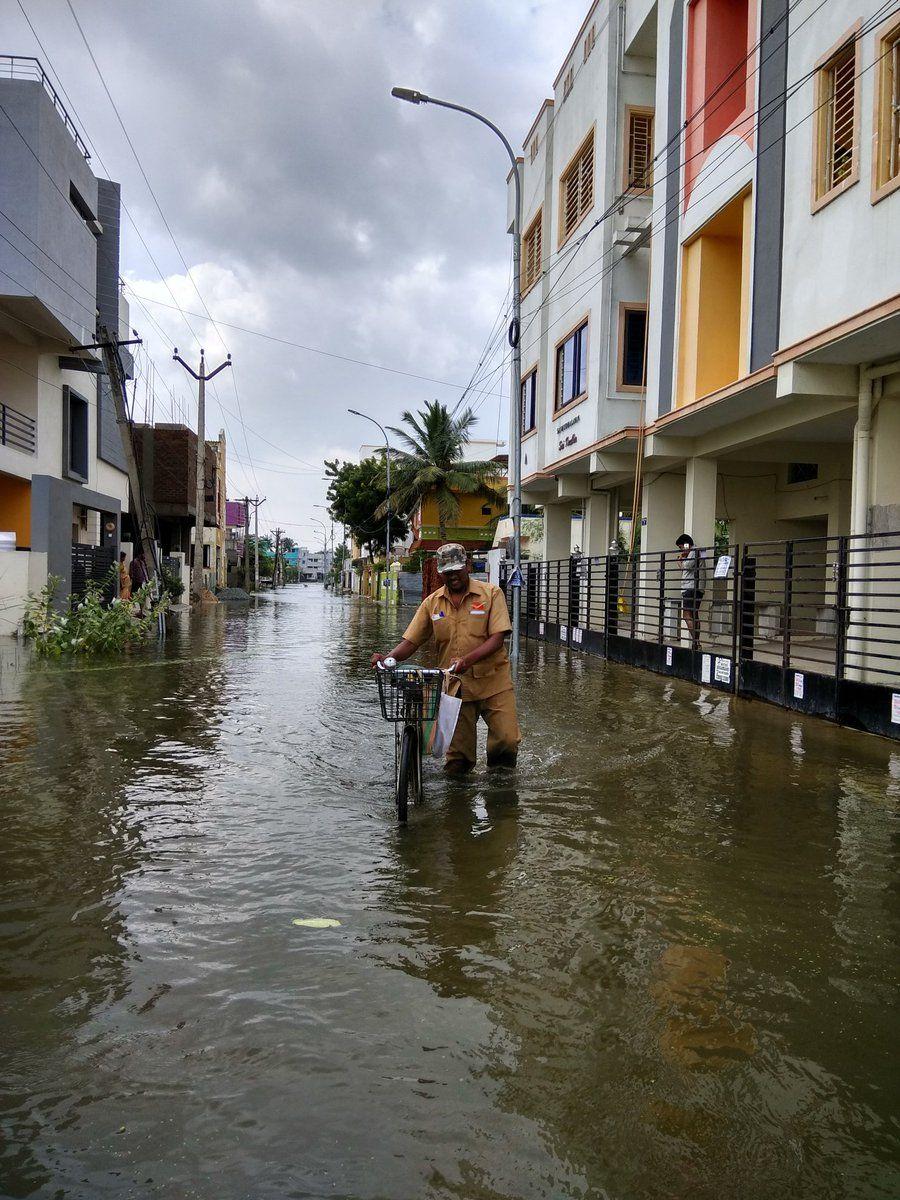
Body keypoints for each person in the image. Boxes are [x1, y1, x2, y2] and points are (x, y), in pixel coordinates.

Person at [372, 542, 520, 774]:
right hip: (455, 688)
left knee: (507, 741)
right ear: (441, 573)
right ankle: (458, 805)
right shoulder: (432, 603)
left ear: (467, 566)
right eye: (447, 572)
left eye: (457, 570)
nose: (453, 577)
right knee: (458, 761)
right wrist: (388, 659)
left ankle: (500, 792)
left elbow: (497, 638)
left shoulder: (491, 594)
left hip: (495, 683)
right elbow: (411, 641)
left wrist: (467, 660)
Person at [676, 533, 706, 648]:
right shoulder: (695, 552)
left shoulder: (694, 551)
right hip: (696, 587)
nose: (681, 549)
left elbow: (687, 566)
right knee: (694, 614)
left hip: (691, 587)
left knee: (687, 615)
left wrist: (680, 560)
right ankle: (696, 642)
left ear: (686, 545)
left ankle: (696, 641)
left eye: (680, 547)